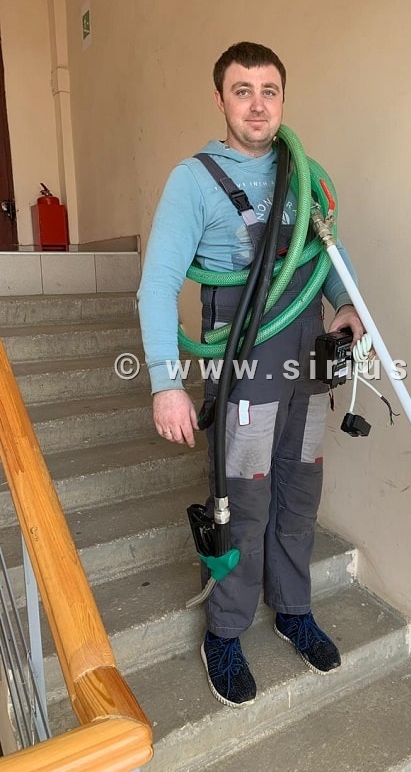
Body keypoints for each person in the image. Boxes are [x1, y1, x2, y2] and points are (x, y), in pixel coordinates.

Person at [137, 42, 364, 708]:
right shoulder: (194, 180)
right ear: (220, 100)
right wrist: (166, 382)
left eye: (269, 91)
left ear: (282, 100)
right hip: (245, 363)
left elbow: (326, 251)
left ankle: (293, 608)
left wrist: (347, 303)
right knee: (243, 499)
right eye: (243, 90)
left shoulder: (302, 175)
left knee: (300, 490)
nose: (257, 105)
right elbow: (157, 285)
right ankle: (227, 630)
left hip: (307, 362)